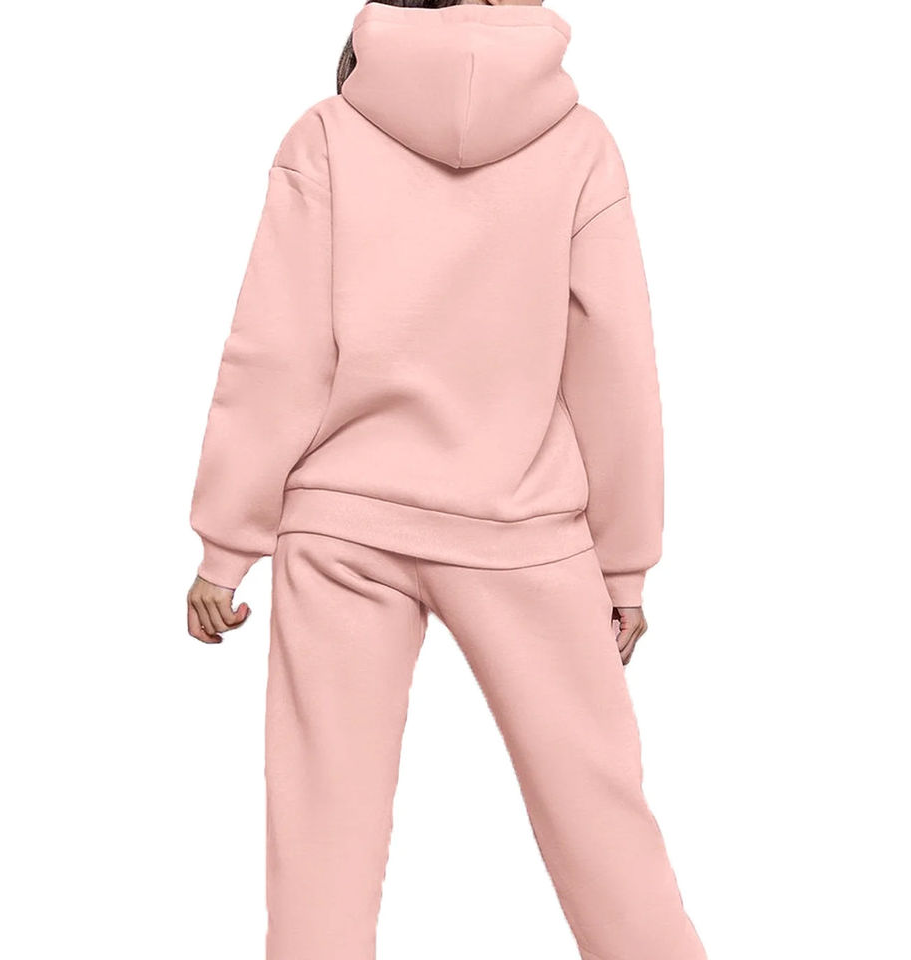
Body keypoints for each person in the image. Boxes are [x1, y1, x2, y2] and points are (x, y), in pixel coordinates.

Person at [187, 1, 706, 957]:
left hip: (343, 521)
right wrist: (623, 562)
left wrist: (228, 540)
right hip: (524, 523)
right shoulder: (581, 145)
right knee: (601, 819)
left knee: (321, 837)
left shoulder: (329, 133)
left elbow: (277, 345)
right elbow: (615, 361)